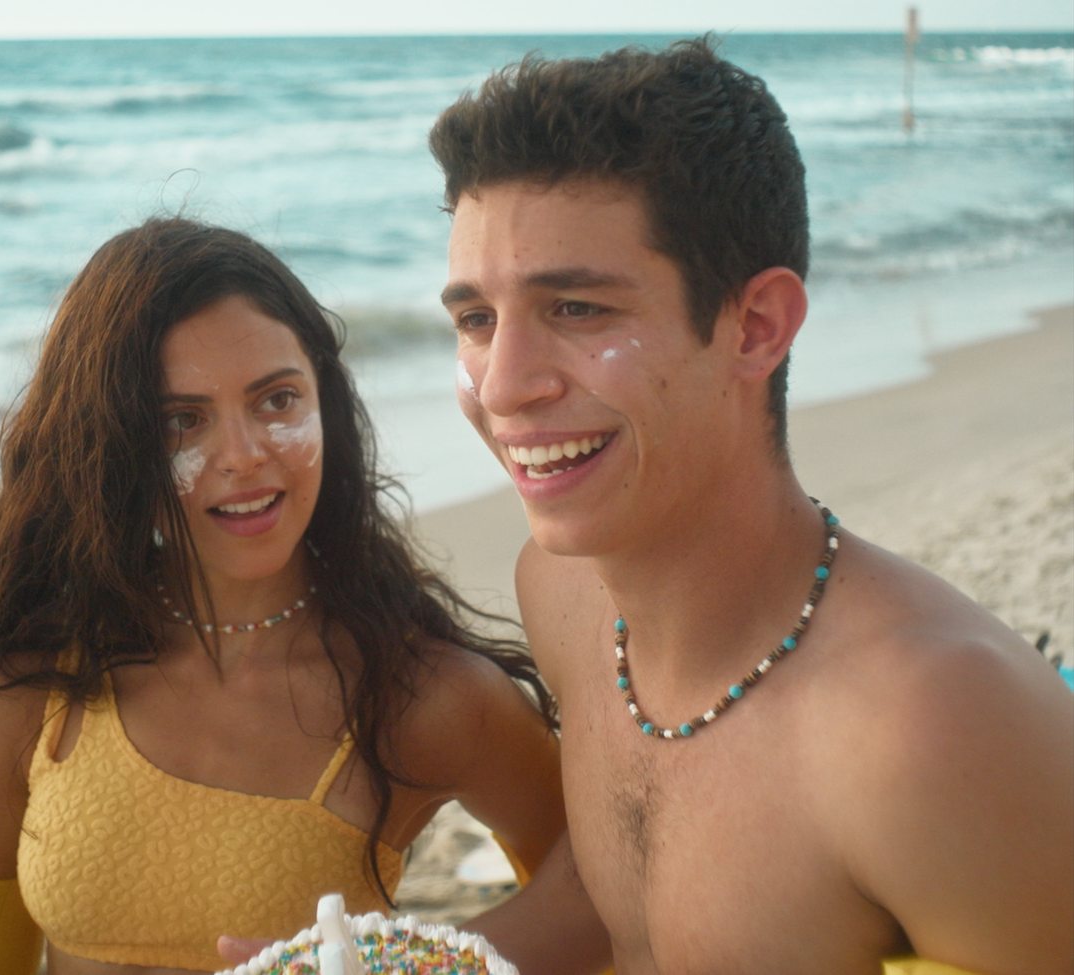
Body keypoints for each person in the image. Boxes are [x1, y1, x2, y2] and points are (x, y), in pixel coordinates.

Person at [427, 38, 1073, 975]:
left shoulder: (924, 726)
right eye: (476, 320)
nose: (502, 386)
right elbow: (616, 904)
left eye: (576, 308)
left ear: (756, 326)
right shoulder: (563, 595)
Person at [0, 219, 569, 973]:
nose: (243, 455)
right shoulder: (32, 674)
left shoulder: (417, 694)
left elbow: (600, 886)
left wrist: (406, 966)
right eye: (182, 421)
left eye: (276, 400)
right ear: (113, 445)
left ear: (326, 403)